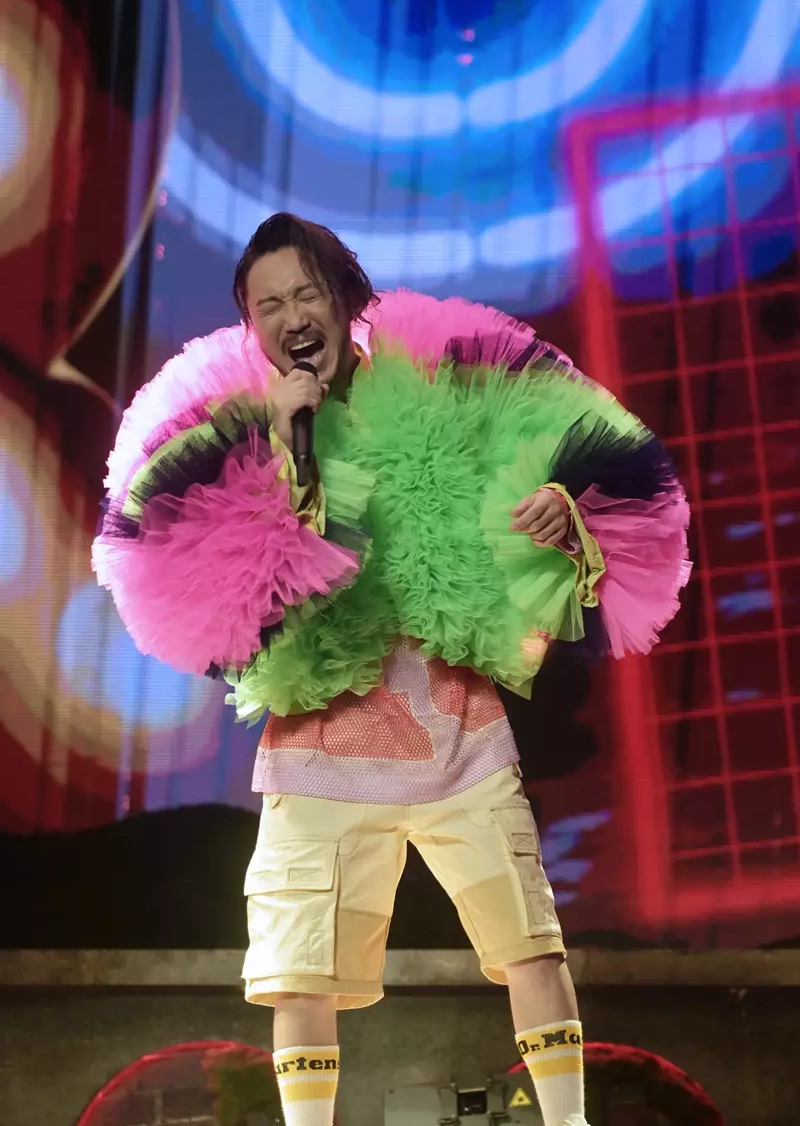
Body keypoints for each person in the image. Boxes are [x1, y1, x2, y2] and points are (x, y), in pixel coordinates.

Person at [93, 213, 690, 1126]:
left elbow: (569, 475)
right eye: (268, 305)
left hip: (458, 729)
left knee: (532, 945)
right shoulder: (237, 434)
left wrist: (562, 511)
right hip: (318, 743)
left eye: (306, 293)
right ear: (251, 327)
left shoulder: (443, 394)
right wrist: (288, 449)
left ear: (345, 299)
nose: (292, 316)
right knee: (299, 974)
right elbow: (229, 593)